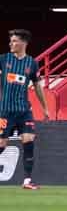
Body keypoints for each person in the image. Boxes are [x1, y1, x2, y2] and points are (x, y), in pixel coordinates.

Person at [0, 30, 48, 190]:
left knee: (28, 141)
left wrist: (45, 108)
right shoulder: (3, 59)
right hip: (5, 111)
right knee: (1, 144)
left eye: (14, 41)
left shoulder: (32, 63)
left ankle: (27, 180)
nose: (10, 44)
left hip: (24, 111)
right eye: (11, 41)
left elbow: (37, 86)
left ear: (23, 43)